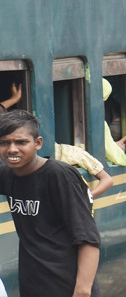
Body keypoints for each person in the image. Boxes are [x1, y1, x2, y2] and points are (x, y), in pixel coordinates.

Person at [0, 110, 102, 297]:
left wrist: (83, 290)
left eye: (21, 142)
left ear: (37, 143)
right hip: (33, 284)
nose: (12, 149)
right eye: (4, 143)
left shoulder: (59, 176)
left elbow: (88, 238)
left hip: (66, 285)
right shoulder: (8, 174)